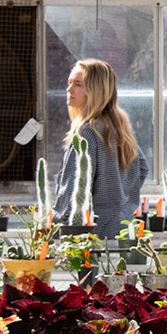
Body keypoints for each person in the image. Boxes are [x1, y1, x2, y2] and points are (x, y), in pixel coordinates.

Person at [54, 58, 145, 238]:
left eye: (77, 84)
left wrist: (56, 229)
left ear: (95, 91)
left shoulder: (86, 133)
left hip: (90, 234)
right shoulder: (119, 129)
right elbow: (142, 167)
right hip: (124, 230)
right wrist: (122, 203)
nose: (69, 89)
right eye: (69, 83)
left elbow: (72, 192)